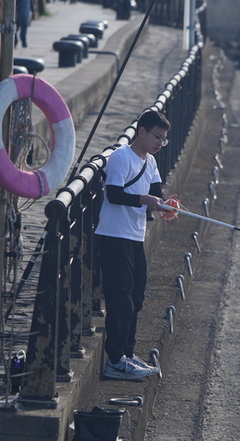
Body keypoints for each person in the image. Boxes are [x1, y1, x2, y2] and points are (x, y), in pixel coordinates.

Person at [95, 110, 171, 380]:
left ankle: (127, 354)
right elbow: (114, 194)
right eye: (157, 136)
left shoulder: (150, 161)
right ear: (142, 131)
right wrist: (143, 200)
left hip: (135, 236)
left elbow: (156, 194)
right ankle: (115, 361)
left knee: (137, 297)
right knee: (120, 300)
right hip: (114, 235)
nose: (160, 143)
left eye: (164, 139)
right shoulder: (121, 157)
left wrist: (167, 206)